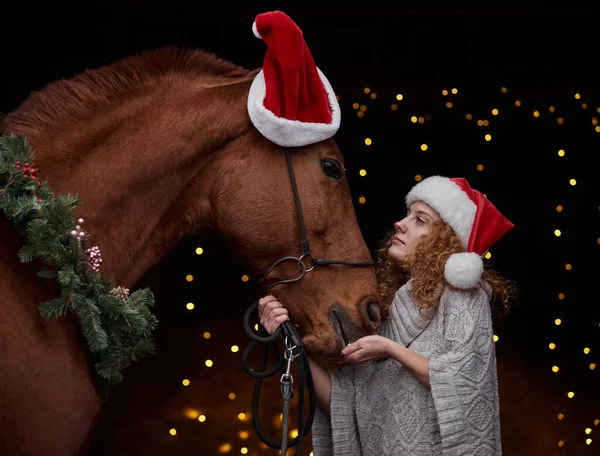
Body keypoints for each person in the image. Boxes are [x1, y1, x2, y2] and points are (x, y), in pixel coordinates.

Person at [258, 175, 517, 455]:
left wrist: (390, 349)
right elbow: (343, 406)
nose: (400, 224)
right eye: (407, 214)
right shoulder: (389, 309)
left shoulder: (464, 297)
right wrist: (289, 340)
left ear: (446, 242)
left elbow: (464, 382)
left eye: (420, 219)